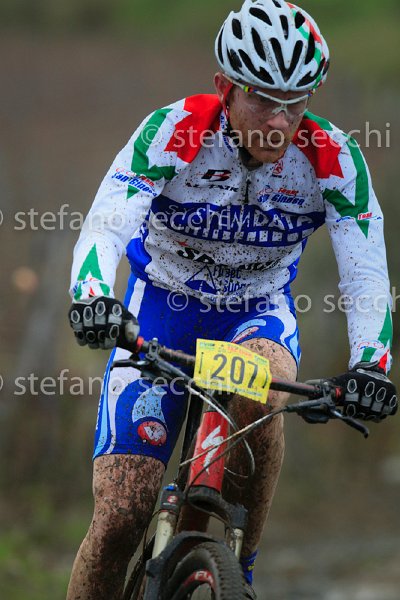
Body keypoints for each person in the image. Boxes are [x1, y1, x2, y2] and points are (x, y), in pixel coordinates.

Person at [67, 1, 397, 598]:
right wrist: (91, 296)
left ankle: (238, 568)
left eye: (296, 101)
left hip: (255, 313)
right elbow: (107, 223)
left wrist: (371, 365)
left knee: (261, 388)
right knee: (121, 516)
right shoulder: (175, 130)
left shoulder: (334, 158)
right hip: (161, 308)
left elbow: (366, 273)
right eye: (263, 99)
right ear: (225, 87)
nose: (280, 120)